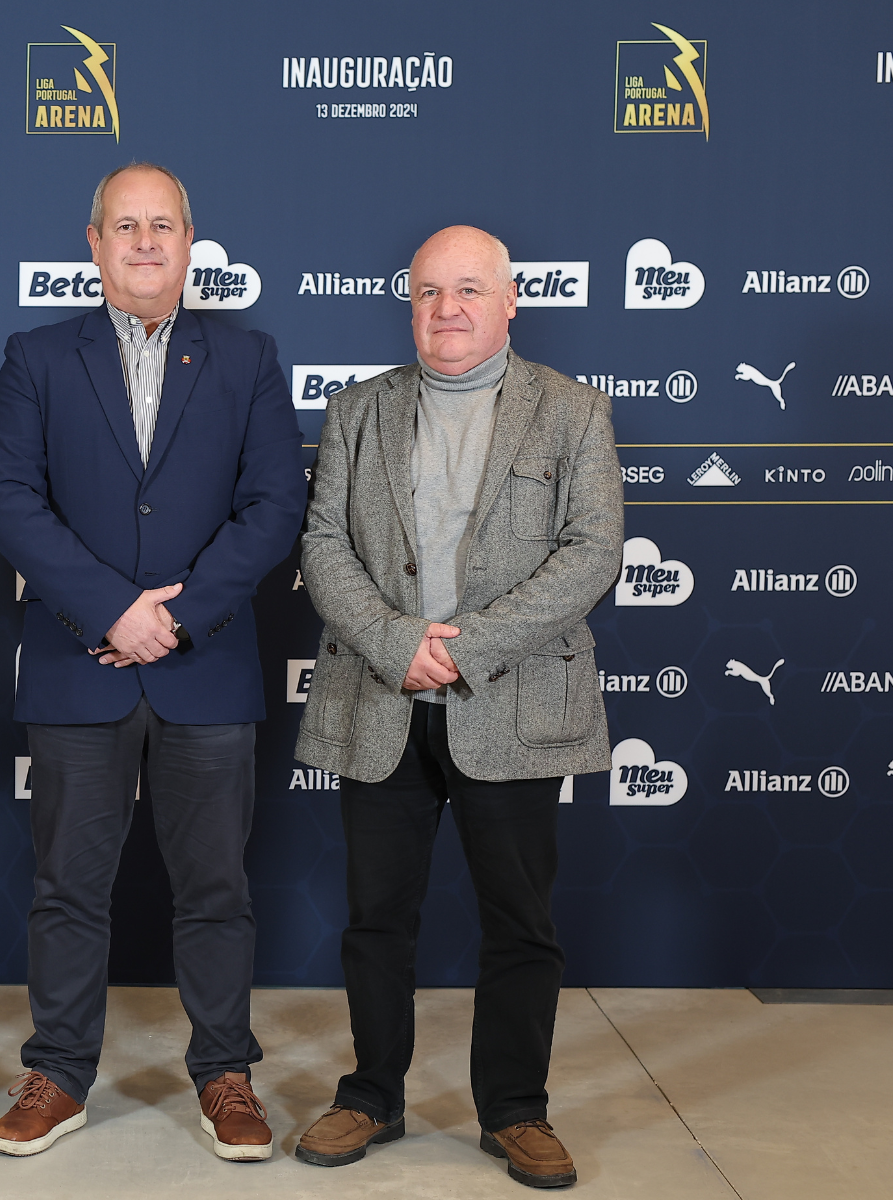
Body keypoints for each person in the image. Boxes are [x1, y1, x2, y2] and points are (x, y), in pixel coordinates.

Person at [0, 163, 305, 1161]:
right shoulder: (36, 356)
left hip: (205, 669)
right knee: (69, 887)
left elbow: (273, 507)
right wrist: (114, 610)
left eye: (163, 226)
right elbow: (10, 502)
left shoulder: (247, 359)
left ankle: (224, 1073)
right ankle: (60, 1074)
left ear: (190, 241)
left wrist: (181, 615)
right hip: (82, 663)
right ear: (94, 244)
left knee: (215, 888)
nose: (146, 243)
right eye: (127, 227)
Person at [293, 225, 623, 1189]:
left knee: (520, 922)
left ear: (510, 301)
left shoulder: (572, 412)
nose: (448, 310)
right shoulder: (359, 411)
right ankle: (370, 1098)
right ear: (411, 303)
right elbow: (323, 547)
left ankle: (517, 1110)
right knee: (375, 919)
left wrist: (465, 650)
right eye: (430, 292)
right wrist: (401, 646)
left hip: (511, 705)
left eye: (470, 290)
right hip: (382, 697)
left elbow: (591, 553)